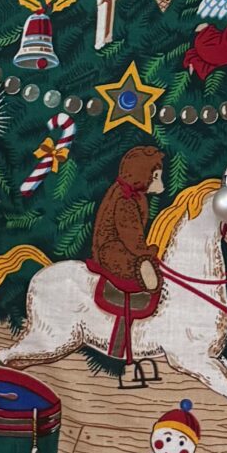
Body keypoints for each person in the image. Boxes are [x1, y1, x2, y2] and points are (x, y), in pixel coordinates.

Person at [89, 143, 166, 365]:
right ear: (142, 176)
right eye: (156, 176)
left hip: (122, 246)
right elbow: (130, 235)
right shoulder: (125, 198)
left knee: (144, 262)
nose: (159, 181)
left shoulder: (135, 196)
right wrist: (146, 253)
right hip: (112, 250)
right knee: (140, 266)